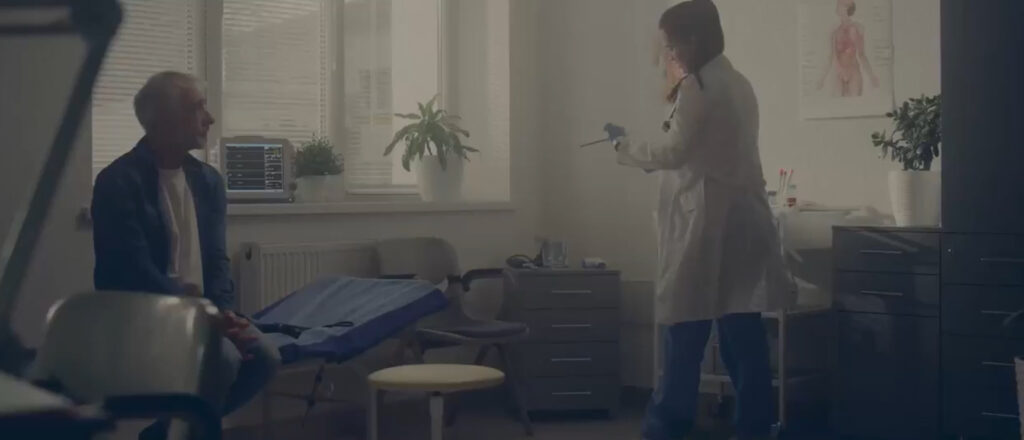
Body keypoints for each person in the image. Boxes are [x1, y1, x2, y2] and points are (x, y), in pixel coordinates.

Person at [604, 1, 794, 439]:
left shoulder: (698, 86)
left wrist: (624, 146)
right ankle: (755, 428)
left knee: (684, 331)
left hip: (706, 225)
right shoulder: (739, 83)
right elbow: (700, 150)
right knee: (742, 331)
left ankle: (665, 429)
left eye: (672, 45)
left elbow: (674, 151)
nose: (670, 54)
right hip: (743, 221)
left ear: (693, 40)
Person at [91, 71, 280, 439]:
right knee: (222, 360)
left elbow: (217, 261)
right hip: (142, 320)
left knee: (265, 358)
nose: (210, 118)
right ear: (165, 119)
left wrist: (225, 313)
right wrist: (203, 315)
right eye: (198, 108)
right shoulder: (117, 181)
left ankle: (163, 434)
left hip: (206, 316)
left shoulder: (208, 181)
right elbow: (134, 271)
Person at [817, 0, 880, 97]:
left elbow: (862, 54)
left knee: (854, 103)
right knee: (837, 103)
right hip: (838, 73)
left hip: (854, 72)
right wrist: (822, 78)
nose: (837, 6)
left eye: (840, 4)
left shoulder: (857, 28)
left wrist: (872, 76)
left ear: (847, 8)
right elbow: (831, 57)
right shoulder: (834, 32)